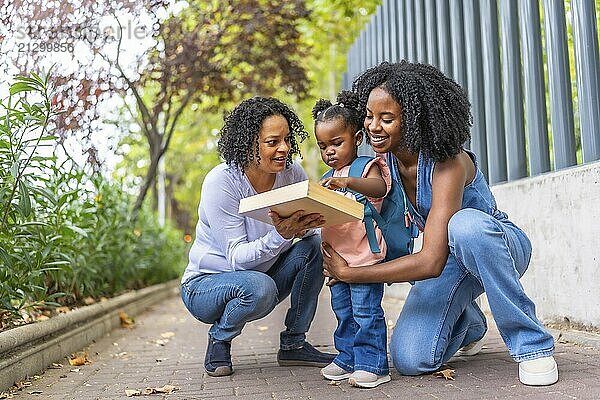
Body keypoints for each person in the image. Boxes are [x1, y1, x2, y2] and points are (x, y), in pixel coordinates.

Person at [322, 61, 559, 386]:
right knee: (410, 359)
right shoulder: (384, 164)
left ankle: (532, 346)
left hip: (494, 245)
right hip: (448, 260)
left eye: (387, 119)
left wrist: (350, 273)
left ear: (415, 120)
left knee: (464, 226)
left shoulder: (448, 163)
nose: (374, 127)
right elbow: (370, 220)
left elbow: (430, 262)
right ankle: (470, 323)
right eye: (369, 116)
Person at [181, 96, 336, 377]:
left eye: (287, 139)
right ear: (249, 143)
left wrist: (318, 220)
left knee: (312, 247)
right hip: (205, 286)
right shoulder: (223, 182)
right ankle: (220, 337)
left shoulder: (292, 174)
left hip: (263, 276)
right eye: (273, 142)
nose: (284, 149)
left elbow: (308, 229)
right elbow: (239, 260)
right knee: (259, 287)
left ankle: (293, 344)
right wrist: (281, 234)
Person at [312, 90, 392, 388]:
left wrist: (345, 182)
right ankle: (347, 358)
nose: (329, 151)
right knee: (343, 312)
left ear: (357, 138)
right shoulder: (326, 177)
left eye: (336, 143)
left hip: (364, 259)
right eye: (323, 146)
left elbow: (379, 188)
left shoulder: (364, 167)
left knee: (366, 312)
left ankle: (374, 364)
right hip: (338, 261)